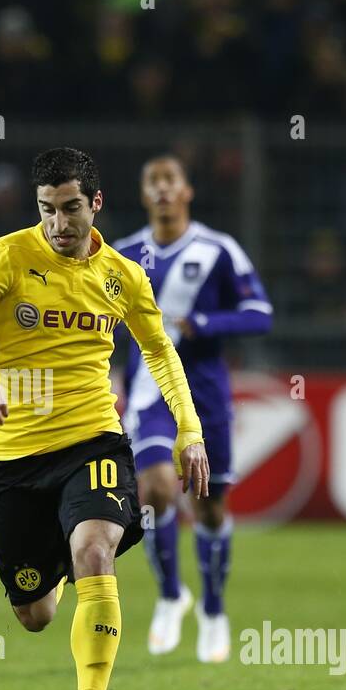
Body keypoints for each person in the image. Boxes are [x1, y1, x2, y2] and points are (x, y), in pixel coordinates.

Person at [0, 147, 208, 690]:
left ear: (96, 203)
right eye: (47, 210)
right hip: (11, 461)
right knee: (34, 612)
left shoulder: (123, 276)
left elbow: (159, 352)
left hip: (92, 440)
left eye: (71, 208)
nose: (59, 224)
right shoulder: (1, 259)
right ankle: (56, 560)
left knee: (93, 549)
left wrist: (190, 429)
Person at [114, 155, 272, 662]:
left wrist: (201, 324)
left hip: (205, 393)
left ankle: (214, 609)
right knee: (155, 489)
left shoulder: (217, 249)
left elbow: (258, 314)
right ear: (143, 195)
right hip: (149, 392)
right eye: (152, 182)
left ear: (187, 191)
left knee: (209, 508)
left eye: (170, 181)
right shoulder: (123, 254)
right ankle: (169, 597)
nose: (161, 190)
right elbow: (105, 327)